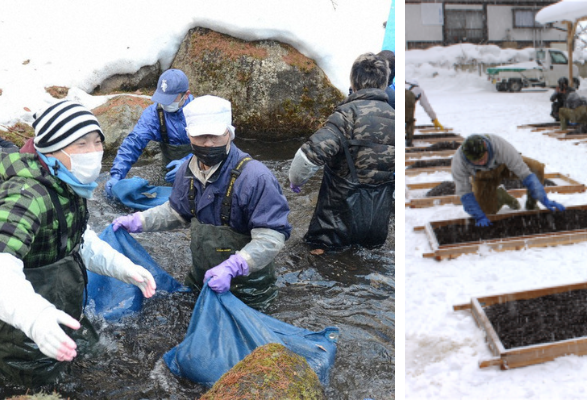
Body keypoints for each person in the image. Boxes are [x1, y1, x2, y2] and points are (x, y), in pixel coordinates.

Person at [0, 100, 156, 385]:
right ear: (51, 150)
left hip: (66, 310)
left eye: (97, 142)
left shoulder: (68, 184)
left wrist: (124, 268)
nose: (94, 153)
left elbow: (78, 239)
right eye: (81, 144)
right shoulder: (27, 196)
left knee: (92, 363)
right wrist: (35, 318)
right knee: (35, 386)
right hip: (21, 329)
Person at [111, 95, 290, 313]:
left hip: (249, 290)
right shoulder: (186, 170)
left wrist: (234, 266)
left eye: (215, 136)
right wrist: (139, 221)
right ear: (189, 135)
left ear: (229, 133)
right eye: (200, 136)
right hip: (200, 279)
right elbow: (176, 212)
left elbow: (271, 238)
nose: (208, 143)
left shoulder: (256, 178)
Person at [288, 52, 394, 249]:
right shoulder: (396, 118)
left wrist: (296, 181)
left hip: (335, 225)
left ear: (353, 81)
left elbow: (308, 157)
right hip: (377, 227)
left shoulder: (347, 115)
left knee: (311, 261)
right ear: (384, 83)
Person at [105, 69, 195, 199]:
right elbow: (134, 142)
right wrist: (117, 174)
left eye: (169, 99)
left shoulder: (199, 112)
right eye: (162, 98)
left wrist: (188, 164)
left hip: (202, 167)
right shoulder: (154, 114)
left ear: (186, 95)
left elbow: (215, 148)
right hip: (170, 171)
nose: (164, 103)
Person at [452, 134, 566, 227]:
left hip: (504, 167)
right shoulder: (459, 162)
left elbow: (525, 173)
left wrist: (542, 197)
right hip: (484, 177)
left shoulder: (501, 146)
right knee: (487, 213)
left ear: (486, 147)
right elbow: (464, 192)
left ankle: (532, 204)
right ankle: (501, 196)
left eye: (482, 158)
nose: (481, 163)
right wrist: (478, 215)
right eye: (476, 162)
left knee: (536, 168)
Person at [405, 79, 443, 147]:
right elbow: (427, 106)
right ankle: (409, 140)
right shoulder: (419, 90)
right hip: (408, 100)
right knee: (409, 121)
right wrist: (434, 119)